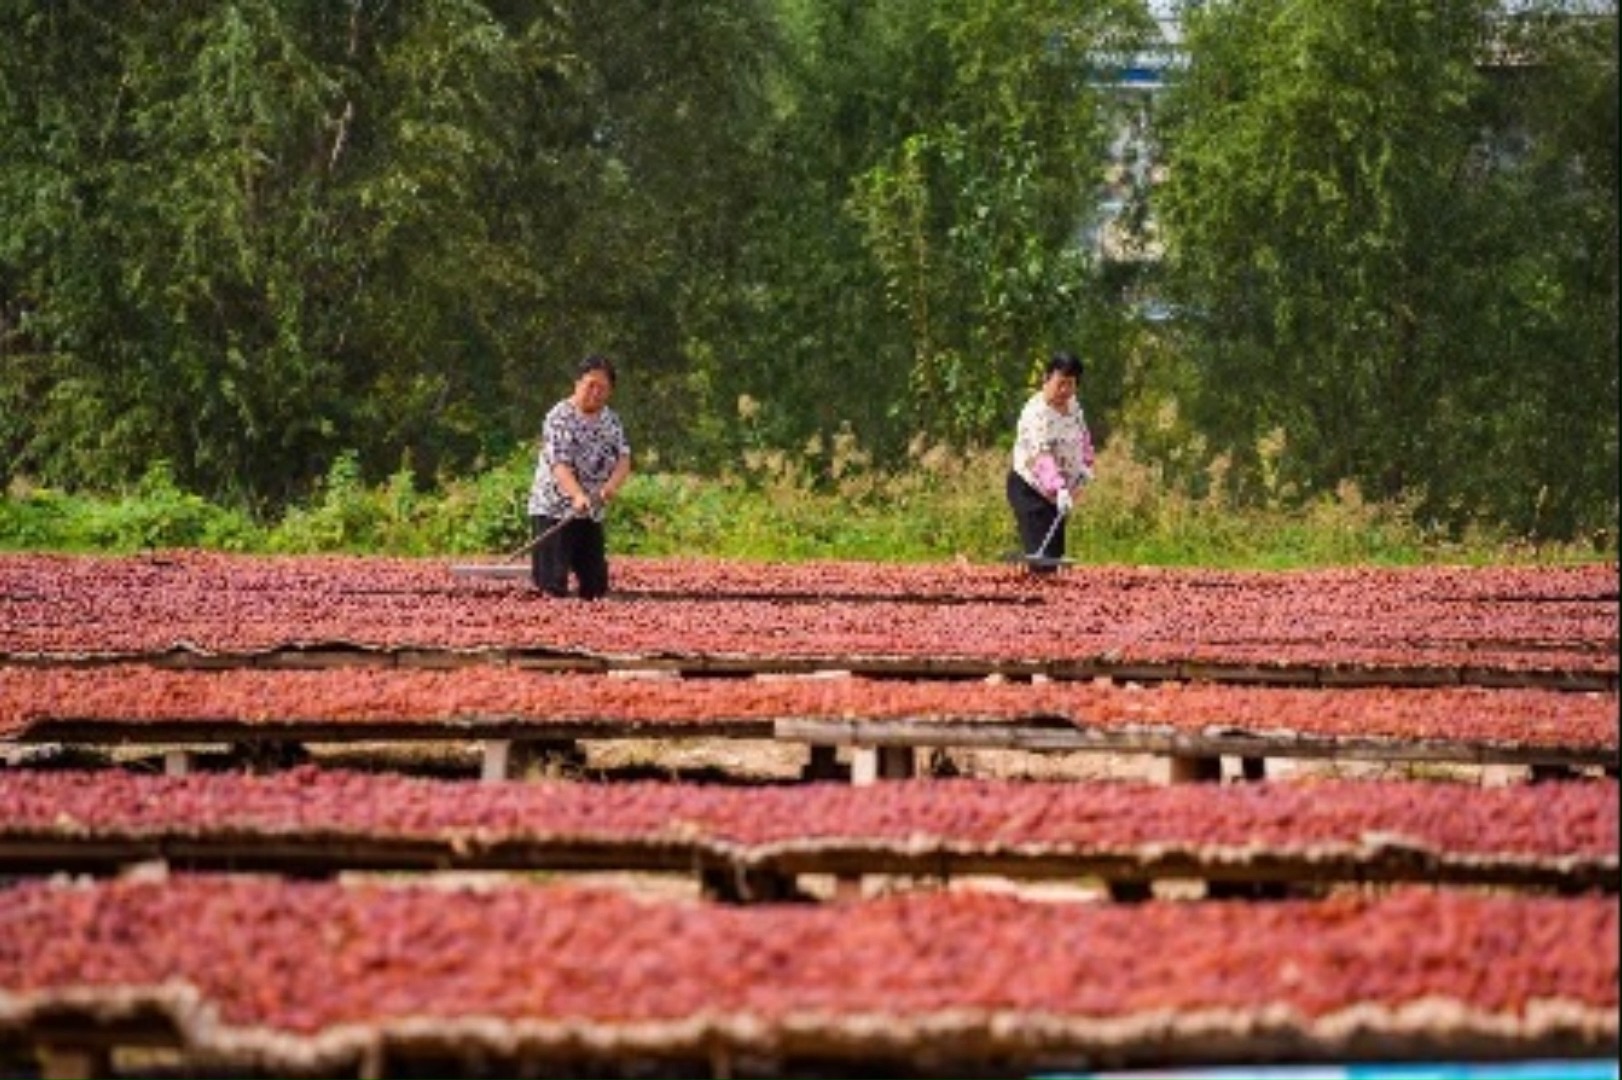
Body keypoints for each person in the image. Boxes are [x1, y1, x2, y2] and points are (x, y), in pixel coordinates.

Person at [527, 355, 632, 599]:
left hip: (591, 509)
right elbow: (559, 465)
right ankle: (550, 631)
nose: (595, 392)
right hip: (554, 509)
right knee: (552, 585)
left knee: (595, 585)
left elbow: (624, 459)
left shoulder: (611, 420)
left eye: (602, 388)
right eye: (590, 385)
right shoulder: (559, 417)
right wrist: (576, 495)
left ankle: (591, 629)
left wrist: (610, 487)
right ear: (577, 383)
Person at [1006, 350, 1094, 572]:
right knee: (1042, 561)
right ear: (1046, 379)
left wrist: (1085, 465)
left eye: (1071, 384)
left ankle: (1053, 602)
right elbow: (1040, 457)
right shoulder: (1035, 414)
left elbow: (1083, 436)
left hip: (1058, 494)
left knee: (1054, 557)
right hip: (1031, 489)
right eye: (1060, 383)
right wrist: (1059, 488)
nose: (1065, 390)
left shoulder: (1073, 405)